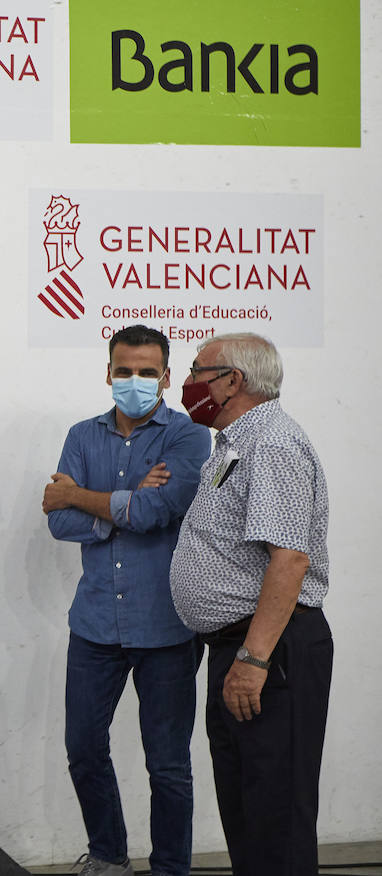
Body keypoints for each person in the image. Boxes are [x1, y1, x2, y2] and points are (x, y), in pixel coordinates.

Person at [41, 325, 210, 876]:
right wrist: (127, 501)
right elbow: (59, 520)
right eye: (123, 370)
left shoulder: (189, 438)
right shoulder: (81, 434)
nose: (133, 381)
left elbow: (157, 511)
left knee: (168, 768)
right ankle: (110, 857)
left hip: (166, 627)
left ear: (165, 377)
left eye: (145, 372)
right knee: (84, 751)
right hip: (93, 625)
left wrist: (87, 497)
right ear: (107, 373)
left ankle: (169, 870)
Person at [169, 333, 331, 876]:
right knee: (246, 807)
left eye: (196, 371)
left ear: (232, 381)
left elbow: (289, 560)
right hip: (240, 650)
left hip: (268, 653)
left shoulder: (273, 443)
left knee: (274, 813)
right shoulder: (235, 443)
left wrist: (255, 659)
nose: (186, 383)